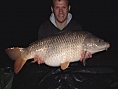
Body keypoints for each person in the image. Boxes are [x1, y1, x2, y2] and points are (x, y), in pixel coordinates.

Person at [12, 0, 83, 89]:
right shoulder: (44, 28)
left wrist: (84, 56)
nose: (61, 12)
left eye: (64, 7)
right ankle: (22, 55)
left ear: (69, 8)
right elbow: (41, 57)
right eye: (57, 7)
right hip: (48, 73)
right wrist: (39, 59)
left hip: (72, 73)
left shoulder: (76, 28)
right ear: (52, 9)